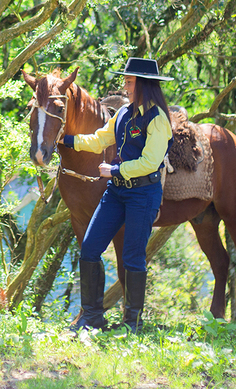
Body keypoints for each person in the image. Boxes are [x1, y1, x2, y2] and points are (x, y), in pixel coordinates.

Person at [62, 56, 175, 332]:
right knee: (89, 249)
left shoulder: (158, 120)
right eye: (125, 81)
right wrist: (67, 141)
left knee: (132, 257)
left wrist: (114, 170)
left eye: (129, 82)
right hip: (117, 193)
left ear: (145, 85)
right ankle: (92, 316)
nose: (125, 87)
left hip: (143, 194)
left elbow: (150, 162)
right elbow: (100, 139)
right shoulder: (123, 113)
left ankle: (132, 323)